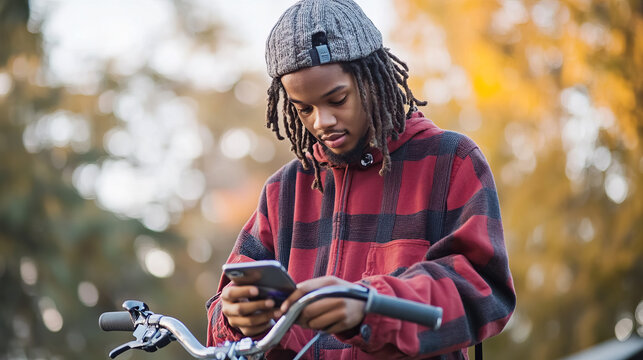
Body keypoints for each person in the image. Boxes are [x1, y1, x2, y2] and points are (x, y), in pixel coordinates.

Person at [206, 0, 516, 358]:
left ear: (372, 77)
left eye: (337, 99)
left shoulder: (451, 161)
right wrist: (234, 317)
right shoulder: (283, 190)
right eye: (303, 108)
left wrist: (371, 304)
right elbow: (220, 315)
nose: (321, 121)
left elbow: (484, 290)